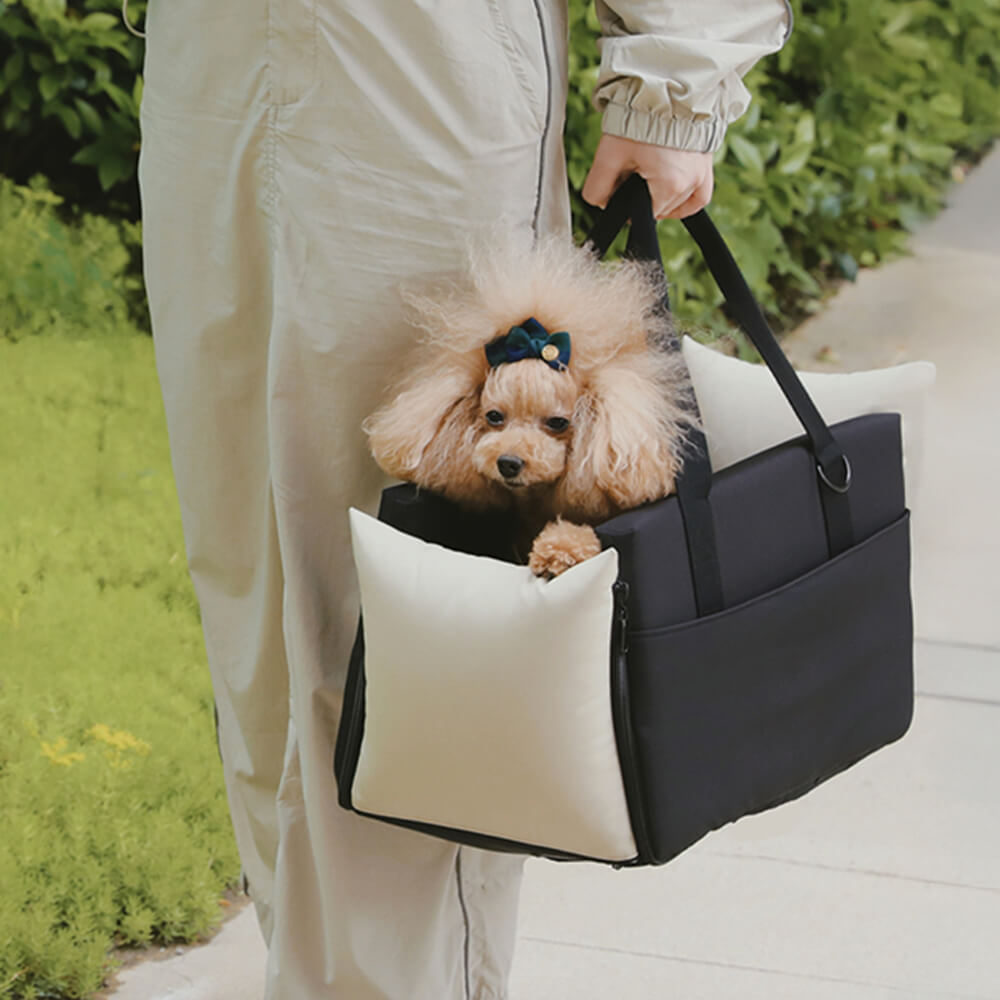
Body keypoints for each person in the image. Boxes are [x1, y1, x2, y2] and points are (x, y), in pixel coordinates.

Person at [136, 2, 791, 997]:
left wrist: (672, 85)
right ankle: (317, 970)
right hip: (210, 81)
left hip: (419, 95)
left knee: (411, 612)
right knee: (254, 585)